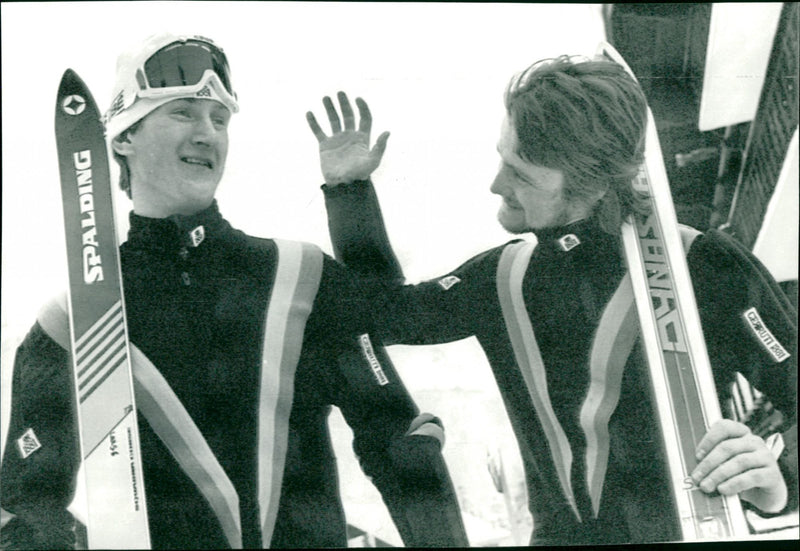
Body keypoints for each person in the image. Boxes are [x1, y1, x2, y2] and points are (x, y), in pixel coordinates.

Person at [0, 33, 468, 549]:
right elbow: (27, 502)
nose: (208, 134)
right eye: (183, 113)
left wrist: (351, 196)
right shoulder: (72, 323)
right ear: (123, 139)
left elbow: (401, 444)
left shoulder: (302, 279)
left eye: (219, 120)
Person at [306, 55, 798, 545]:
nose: (496, 184)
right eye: (502, 159)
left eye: (521, 175)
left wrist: (778, 484)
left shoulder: (705, 267)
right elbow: (385, 314)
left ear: (593, 185)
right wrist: (349, 192)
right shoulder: (503, 278)